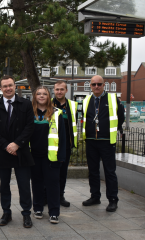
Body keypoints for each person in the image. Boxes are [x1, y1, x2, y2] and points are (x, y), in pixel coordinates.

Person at [0, 75, 34, 228]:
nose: (8, 88)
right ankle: (6, 212)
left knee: (24, 185)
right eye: (4, 86)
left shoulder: (26, 104)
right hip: (3, 151)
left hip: (21, 151)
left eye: (10, 85)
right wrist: (6, 145)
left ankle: (26, 213)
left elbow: (29, 127)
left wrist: (17, 144)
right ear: (0, 88)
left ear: (15, 86)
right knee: (4, 185)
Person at [82, 75, 124, 212]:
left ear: (104, 85)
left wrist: (109, 129)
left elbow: (121, 117)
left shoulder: (112, 99)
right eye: (94, 84)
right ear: (90, 86)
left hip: (106, 141)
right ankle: (95, 196)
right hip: (91, 141)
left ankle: (113, 200)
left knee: (109, 172)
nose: (96, 87)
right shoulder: (87, 100)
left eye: (99, 84)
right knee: (93, 171)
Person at [30, 86, 66, 224]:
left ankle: (54, 212)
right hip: (33, 155)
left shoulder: (57, 113)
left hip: (51, 156)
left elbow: (62, 137)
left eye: (44, 94)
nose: (41, 96)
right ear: (35, 96)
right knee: (37, 183)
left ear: (48, 96)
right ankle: (38, 208)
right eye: (38, 93)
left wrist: (61, 157)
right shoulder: (29, 113)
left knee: (53, 184)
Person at [52, 81, 78, 207]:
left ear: (66, 90)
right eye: (57, 89)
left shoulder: (72, 106)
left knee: (63, 172)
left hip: (66, 146)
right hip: (51, 146)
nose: (59, 91)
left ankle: (60, 195)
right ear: (54, 90)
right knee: (49, 172)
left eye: (62, 89)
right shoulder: (48, 104)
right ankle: (47, 195)